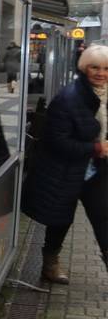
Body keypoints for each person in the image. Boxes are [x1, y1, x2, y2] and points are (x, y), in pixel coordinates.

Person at [23, 44, 108, 283]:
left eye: (106, 68)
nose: (101, 73)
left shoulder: (105, 94)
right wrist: (96, 148)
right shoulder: (68, 98)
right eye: (95, 67)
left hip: (95, 171)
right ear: (84, 68)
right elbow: (56, 141)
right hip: (64, 170)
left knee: (103, 218)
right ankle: (49, 265)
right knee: (60, 220)